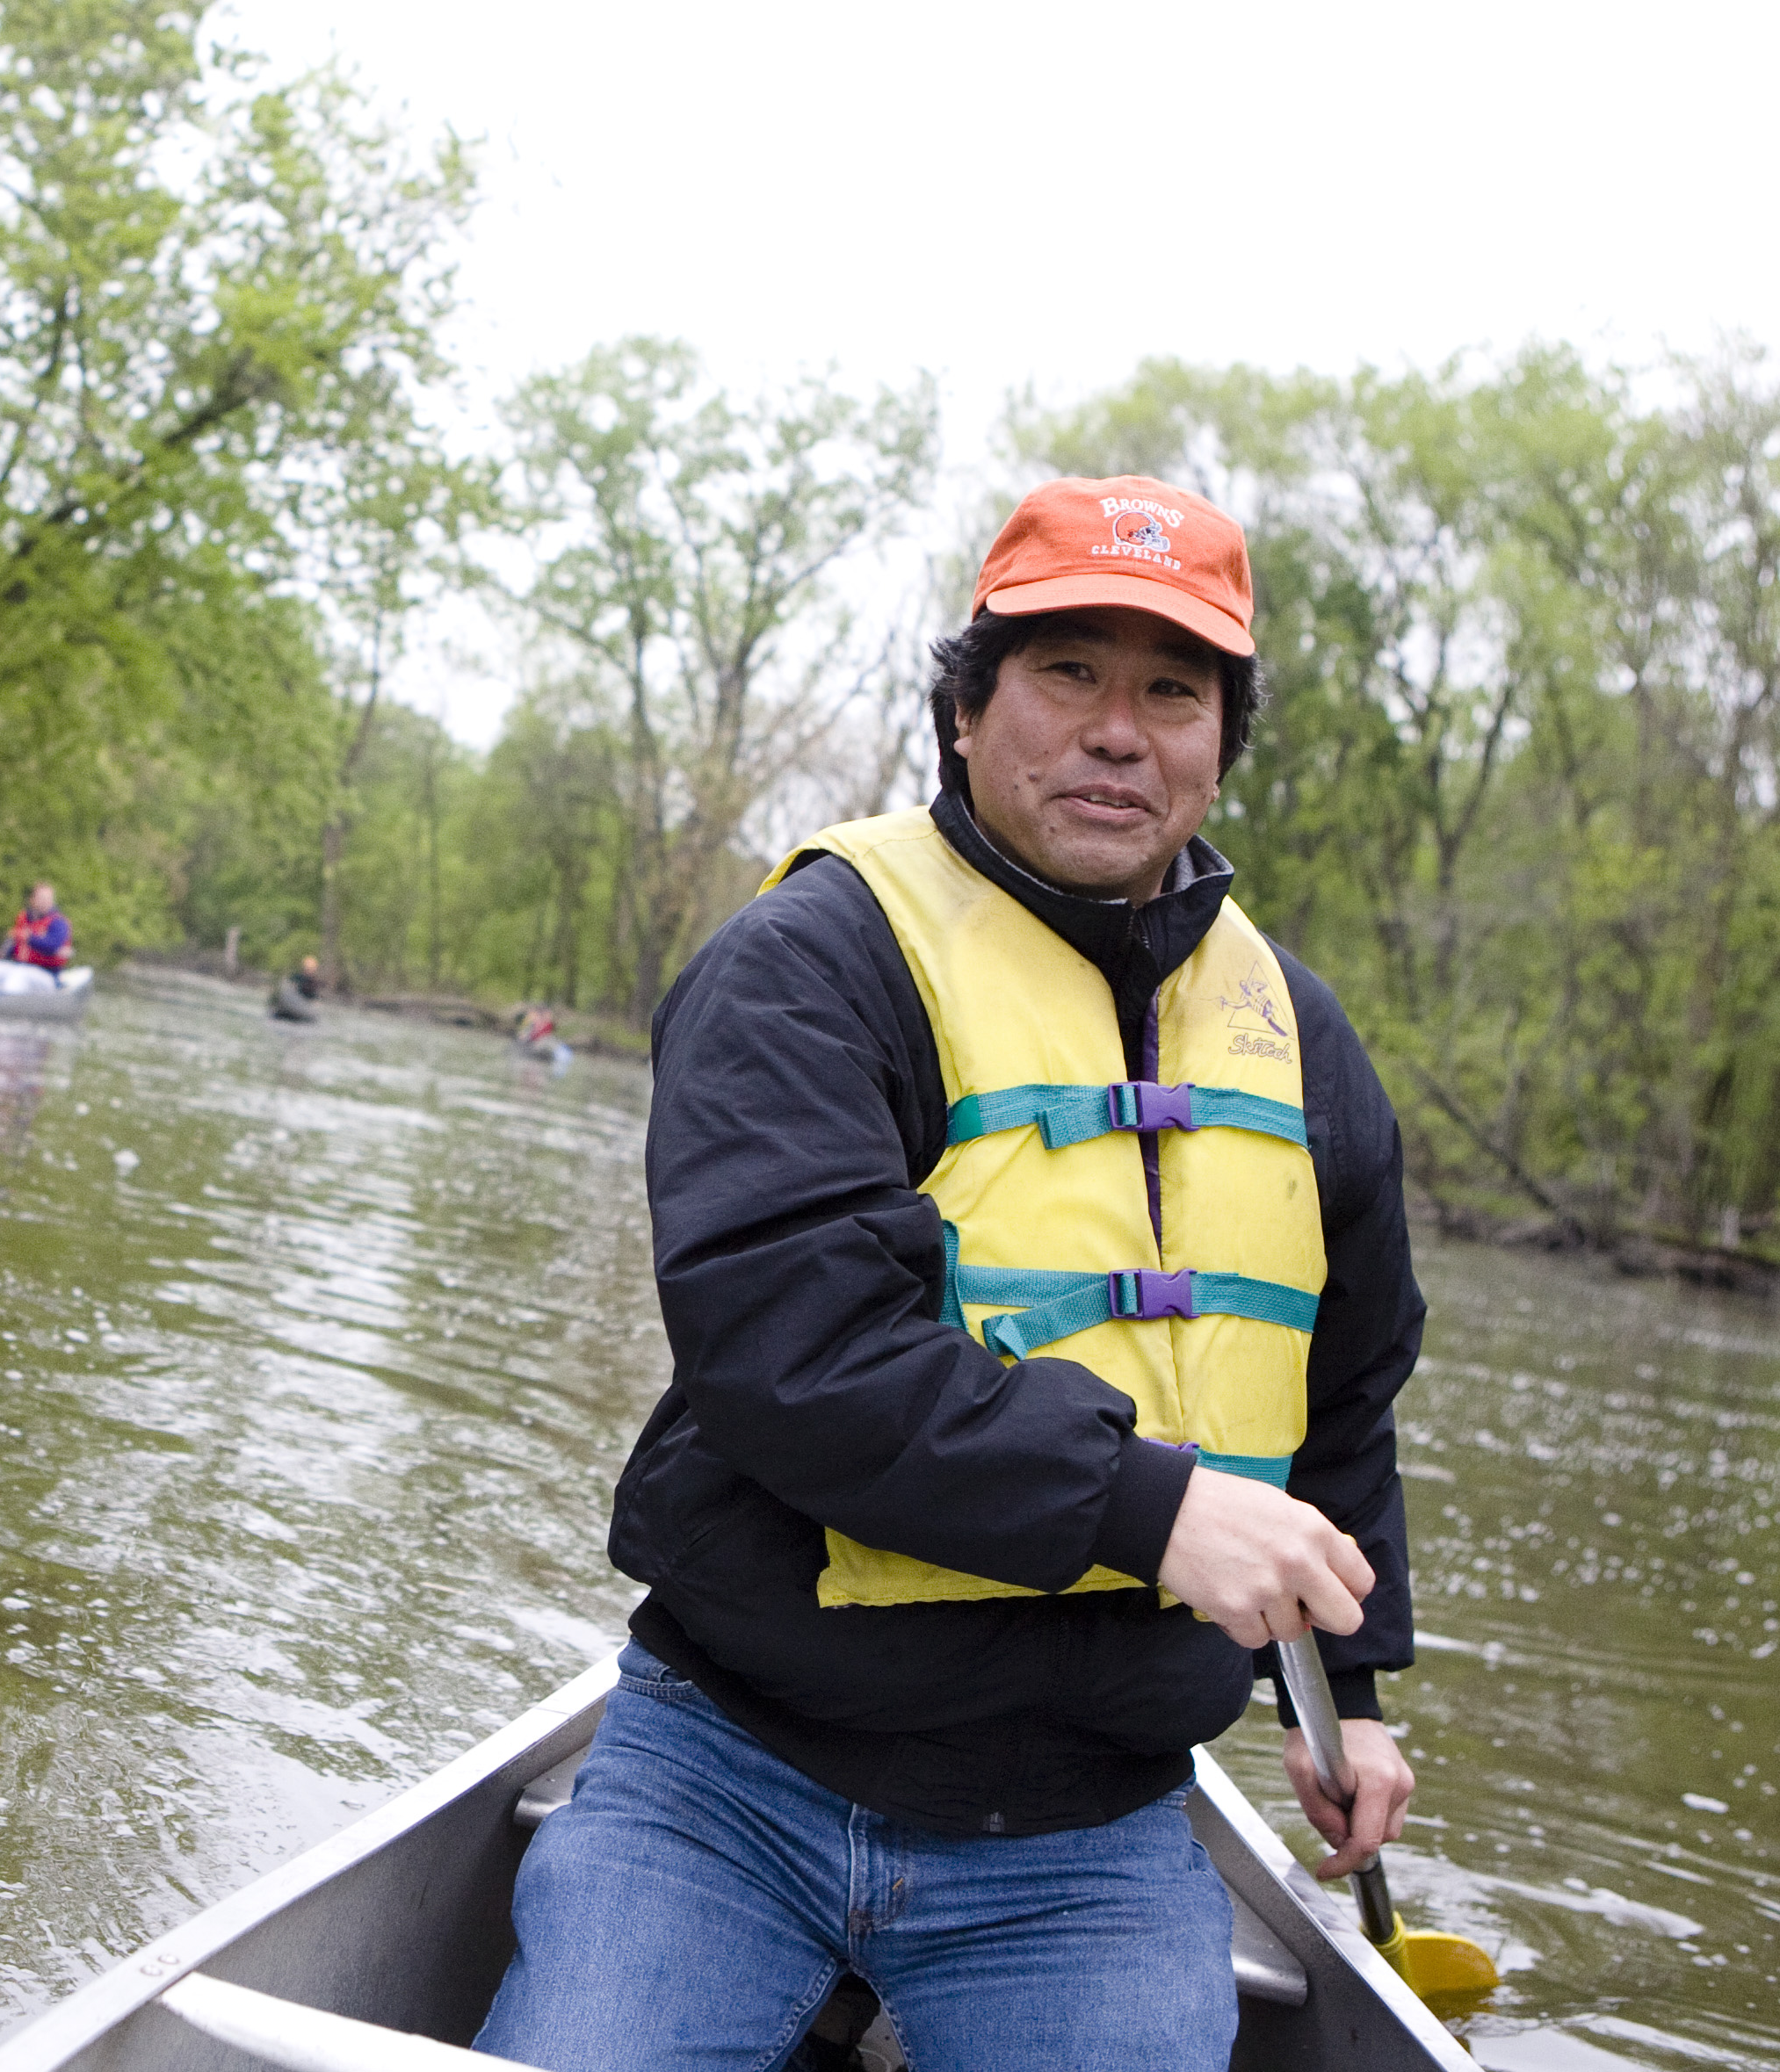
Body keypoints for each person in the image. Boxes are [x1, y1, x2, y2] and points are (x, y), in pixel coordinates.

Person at [474, 476, 1422, 2072]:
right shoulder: (808, 958)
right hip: (728, 1770)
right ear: (966, 710)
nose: (1117, 731)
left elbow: (1338, 1389)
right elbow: (793, 1349)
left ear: (1214, 745)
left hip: (1084, 1833)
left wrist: (1353, 1679)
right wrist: (1157, 1507)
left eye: (1169, 690)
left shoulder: (1300, 1040)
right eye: (1067, 673)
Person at [1, 881, 71, 970]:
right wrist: (3, 954)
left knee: (16, 979)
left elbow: (53, 946)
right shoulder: (24, 917)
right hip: (20, 966)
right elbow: (15, 944)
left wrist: (29, 937)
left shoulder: (59, 922)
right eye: (41, 898)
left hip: (47, 970)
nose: (45, 902)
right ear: (32, 899)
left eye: (48, 899)